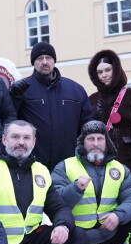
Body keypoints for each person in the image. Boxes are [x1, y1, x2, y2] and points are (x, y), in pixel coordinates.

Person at [10, 42, 93, 170]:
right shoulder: (22, 89)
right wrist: (14, 97)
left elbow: (87, 126)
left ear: (54, 61)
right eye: (39, 58)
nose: (44, 62)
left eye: (48, 58)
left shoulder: (75, 90)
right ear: (33, 62)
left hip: (69, 164)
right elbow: (9, 120)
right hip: (33, 164)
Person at [87, 49, 131, 176]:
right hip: (99, 161)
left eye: (108, 70)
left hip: (126, 160)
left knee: (128, 194)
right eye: (99, 72)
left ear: (116, 70)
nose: (104, 75)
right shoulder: (92, 99)